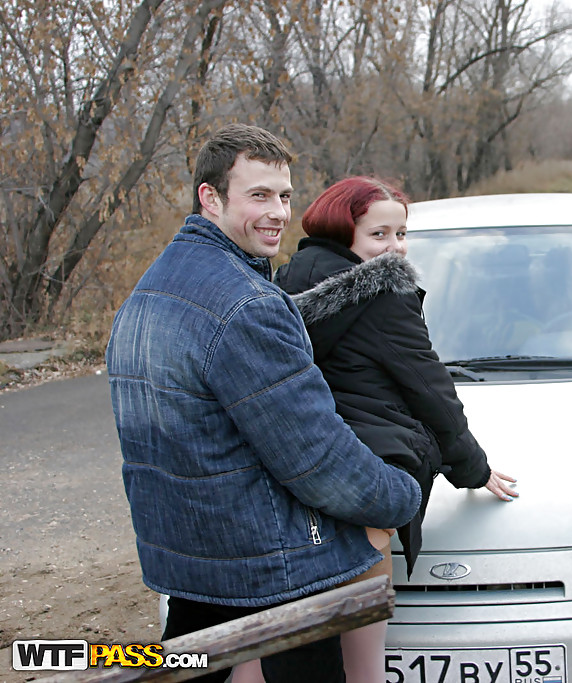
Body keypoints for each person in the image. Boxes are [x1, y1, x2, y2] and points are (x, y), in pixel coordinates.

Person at [105, 125, 422, 683]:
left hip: (189, 562)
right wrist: (401, 497)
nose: (277, 212)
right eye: (258, 195)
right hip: (272, 578)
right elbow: (317, 460)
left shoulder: (149, 289)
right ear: (210, 197)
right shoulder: (246, 305)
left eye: (284, 195)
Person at [260, 175, 518, 683]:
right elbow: (429, 385)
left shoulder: (283, 281)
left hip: (300, 461)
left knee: (271, 641)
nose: (395, 249)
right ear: (344, 231)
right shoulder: (383, 291)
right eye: (380, 235)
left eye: (401, 235)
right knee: (365, 611)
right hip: (373, 461)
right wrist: (473, 465)